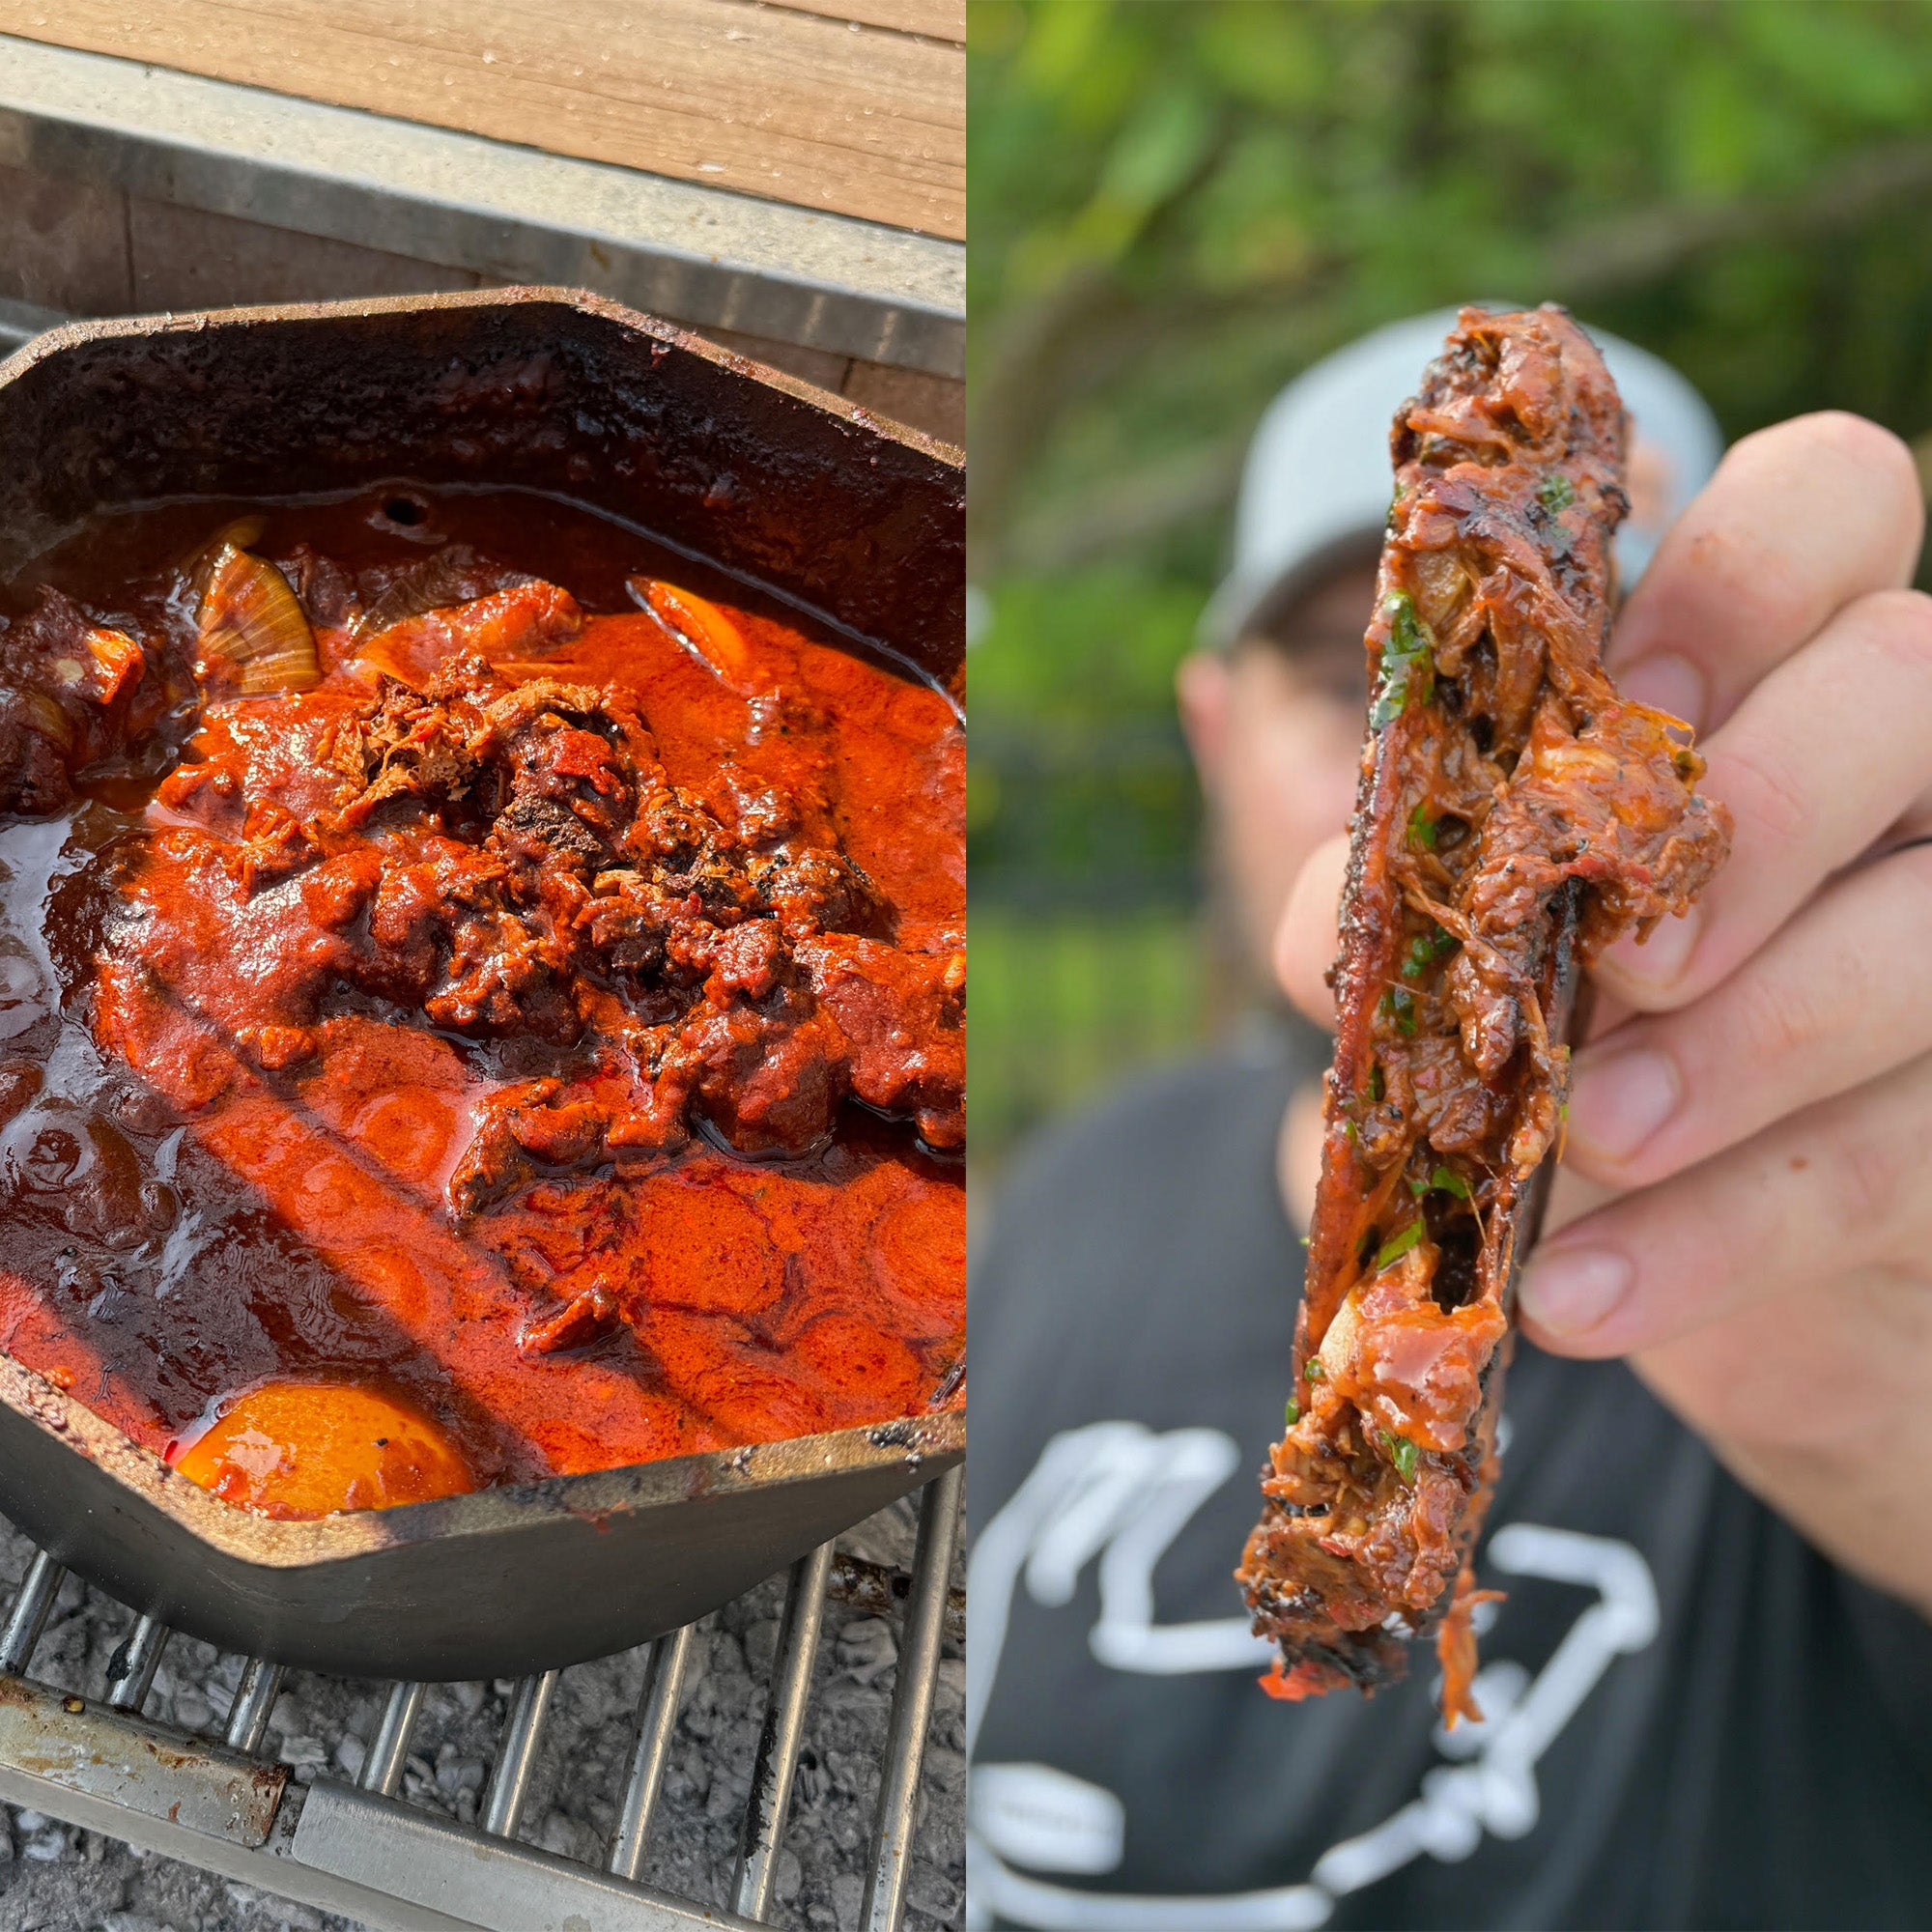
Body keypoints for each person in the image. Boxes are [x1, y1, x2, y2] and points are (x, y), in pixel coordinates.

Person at [966, 310, 1932, 1931]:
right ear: (1214, 730)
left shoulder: (1843, 1314)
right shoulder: (1067, 1201)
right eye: (1340, 668)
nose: (1402, 762)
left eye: (1615, 679)